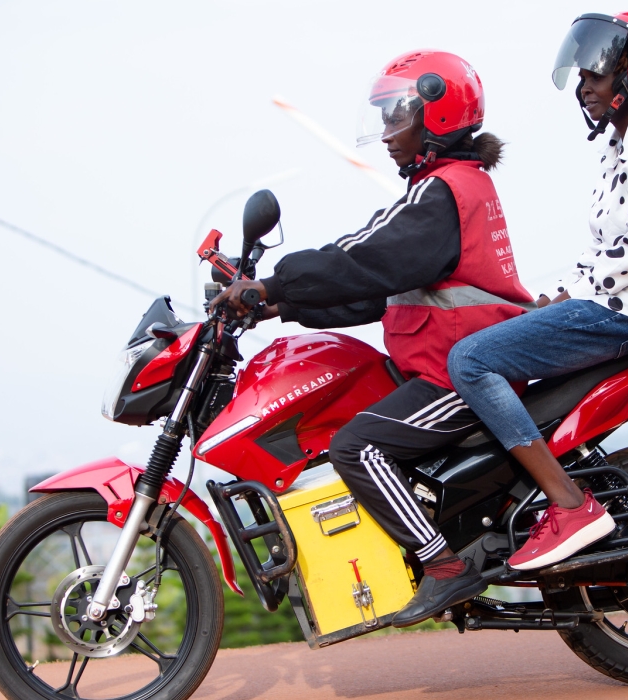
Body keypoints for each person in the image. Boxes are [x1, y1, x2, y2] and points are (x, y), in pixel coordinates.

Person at [215, 50, 534, 626]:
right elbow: (375, 292)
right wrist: (278, 304)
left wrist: (272, 282)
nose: (386, 133)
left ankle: (443, 569)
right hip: (453, 363)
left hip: (462, 374)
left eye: (396, 117)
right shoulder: (452, 188)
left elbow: (362, 258)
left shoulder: (440, 194)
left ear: (434, 117)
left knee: (356, 446)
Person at [448, 11, 628, 571]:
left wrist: (573, 295)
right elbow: (602, 252)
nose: (585, 85)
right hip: (613, 301)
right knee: (495, 339)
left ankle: (567, 502)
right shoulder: (621, 145)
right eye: (583, 74)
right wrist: (556, 293)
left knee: (469, 360)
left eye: (597, 73)